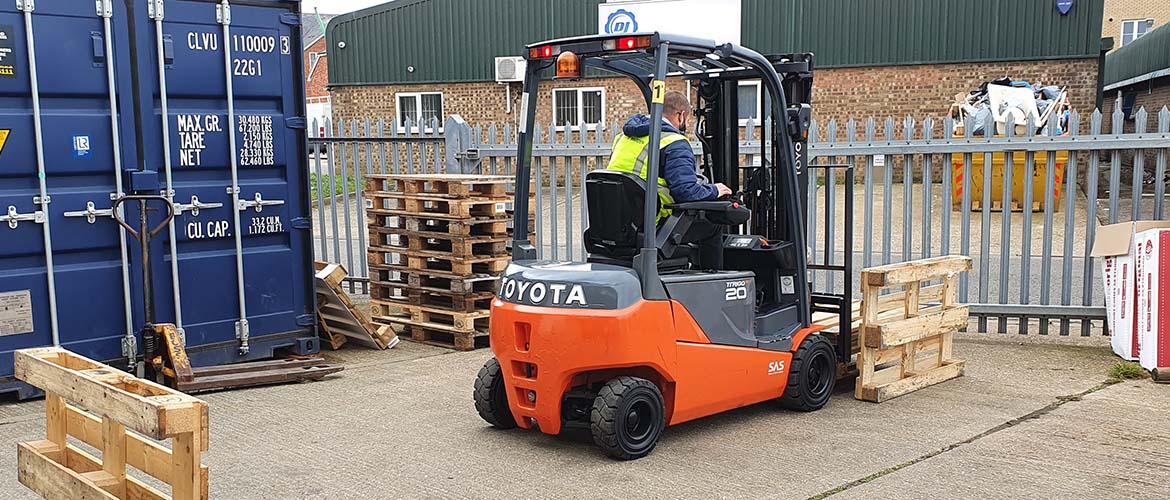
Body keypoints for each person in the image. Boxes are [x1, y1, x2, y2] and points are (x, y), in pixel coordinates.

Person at [605, 90, 732, 269]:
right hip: (652, 226)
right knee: (712, 227)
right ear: (680, 115)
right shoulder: (674, 142)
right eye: (687, 118)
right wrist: (715, 190)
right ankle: (715, 286)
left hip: (617, 226)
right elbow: (686, 192)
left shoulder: (623, 137)